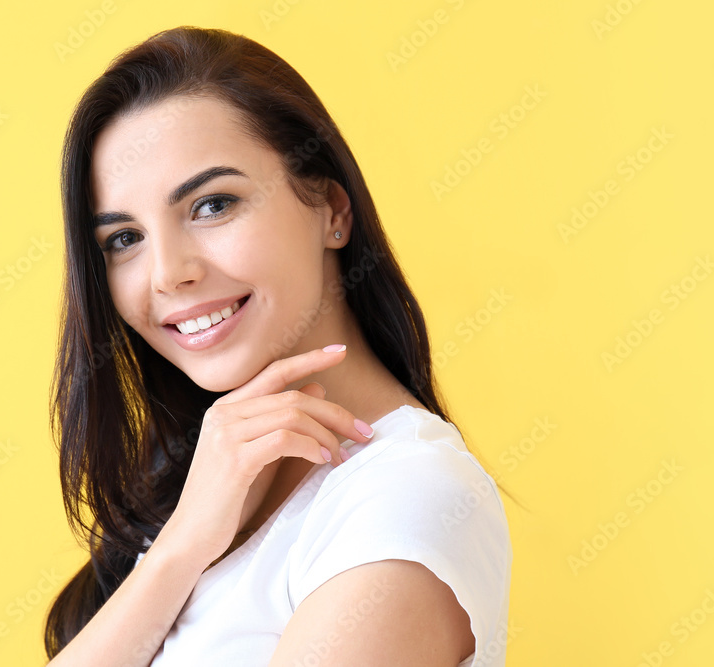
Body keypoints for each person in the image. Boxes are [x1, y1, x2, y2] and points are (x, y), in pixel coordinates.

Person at [44, 25, 512, 666]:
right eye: (124, 239)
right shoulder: (207, 479)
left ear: (330, 208)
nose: (165, 273)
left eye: (211, 205)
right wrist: (182, 543)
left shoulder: (404, 500)